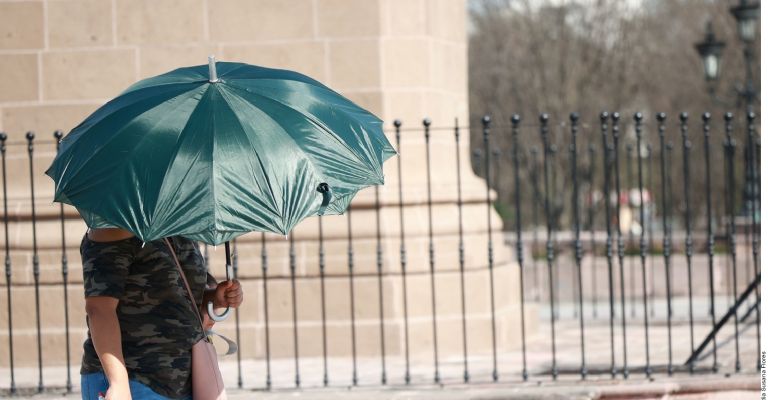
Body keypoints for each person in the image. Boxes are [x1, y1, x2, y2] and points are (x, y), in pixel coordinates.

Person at [79, 227, 243, 400]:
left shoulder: (181, 227)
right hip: (134, 380)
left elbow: (181, 303)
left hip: (182, 383)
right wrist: (118, 383)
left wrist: (215, 298)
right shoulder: (116, 225)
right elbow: (99, 309)